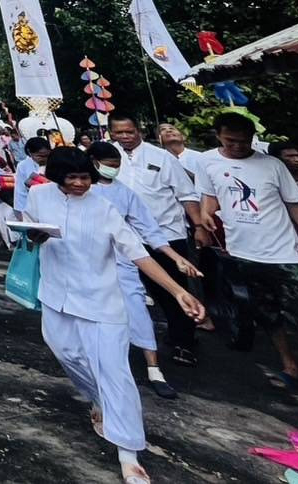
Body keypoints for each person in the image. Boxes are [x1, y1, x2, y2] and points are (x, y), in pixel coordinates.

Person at [23, 147, 205, 483]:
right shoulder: (38, 195)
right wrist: (32, 236)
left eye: (85, 177)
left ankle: (128, 453)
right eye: (72, 177)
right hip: (54, 296)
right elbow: (30, 234)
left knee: (115, 373)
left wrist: (178, 290)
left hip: (101, 302)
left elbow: (139, 254)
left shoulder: (104, 207)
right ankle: (97, 400)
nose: (80, 184)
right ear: (56, 176)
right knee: (68, 355)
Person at [197, 111, 298, 391]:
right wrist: (204, 215)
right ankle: (290, 366)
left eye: (244, 141)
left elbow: (296, 204)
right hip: (242, 253)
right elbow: (209, 193)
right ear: (218, 136)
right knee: (267, 314)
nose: (238, 146)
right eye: (230, 141)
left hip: (284, 255)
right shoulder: (207, 162)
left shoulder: (272, 165)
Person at [87, 142, 201, 400]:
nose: (113, 170)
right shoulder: (77, 191)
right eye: (109, 165)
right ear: (93, 162)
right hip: (86, 263)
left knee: (137, 310)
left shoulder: (124, 193)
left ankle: (153, 368)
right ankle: (100, 367)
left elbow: (149, 230)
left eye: (117, 166)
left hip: (122, 259)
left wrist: (176, 257)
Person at [108, 113, 205, 366]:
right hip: (124, 238)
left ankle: (184, 342)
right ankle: (135, 345)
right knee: (129, 293)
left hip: (166, 235)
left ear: (138, 130)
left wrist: (198, 226)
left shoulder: (161, 157)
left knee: (172, 291)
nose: (125, 137)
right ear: (111, 133)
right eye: (119, 133)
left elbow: (187, 195)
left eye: (129, 131)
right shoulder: (107, 158)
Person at [14, 137, 53, 214]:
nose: (44, 159)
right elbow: (20, 190)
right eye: (40, 156)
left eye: (47, 156)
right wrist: (20, 210)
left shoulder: (53, 162)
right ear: (29, 152)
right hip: (33, 204)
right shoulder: (23, 166)